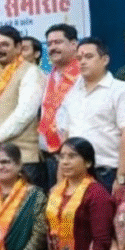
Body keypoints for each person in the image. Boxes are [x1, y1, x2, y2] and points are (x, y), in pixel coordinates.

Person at [57, 37, 125, 193]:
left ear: (105, 60)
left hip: (106, 172)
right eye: (79, 58)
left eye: (89, 57)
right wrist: (61, 176)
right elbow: (65, 134)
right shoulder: (72, 92)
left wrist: (122, 177)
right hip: (74, 174)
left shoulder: (120, 89)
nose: (82, 62)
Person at [0, 26, 45, 184]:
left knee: (24, 200)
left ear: (18, 47)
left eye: (4, 45)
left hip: (22, 159)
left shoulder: (30, 72)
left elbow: (26, 112)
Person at [38, 24, 82, 189]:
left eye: (58, 42)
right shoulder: (50, 75)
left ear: (74, 44)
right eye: (49, 44)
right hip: (50, 155)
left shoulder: (82, 75)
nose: (53, 48)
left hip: (74, 156)